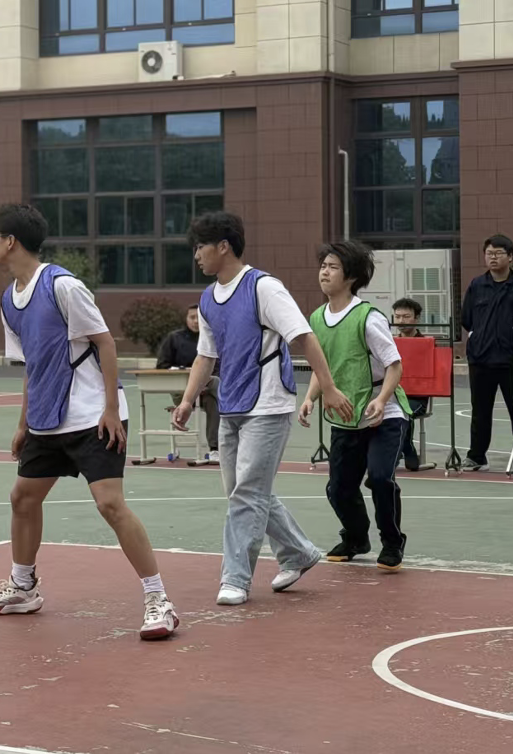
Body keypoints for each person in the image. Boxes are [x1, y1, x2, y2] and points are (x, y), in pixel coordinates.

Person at [0, 204, 180, 641]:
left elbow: (105, 343)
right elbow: (32, 366)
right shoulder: (9, 300)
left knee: (110, 505)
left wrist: (110, 408)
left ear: (10, 241)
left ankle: (159, 600)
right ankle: (23, 587)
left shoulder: (62, 286)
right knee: (23, 498)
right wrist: (23, 424)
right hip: (46, 419)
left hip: (91, 415)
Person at [174, 211, 353, 606]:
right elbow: (206, 356)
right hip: (231, 405)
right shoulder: (208, 299)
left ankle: (235, 579)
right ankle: (299, 552)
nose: (196, 255)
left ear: (224, 246)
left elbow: (304, 337)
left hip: (268, 404)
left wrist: (328, 387)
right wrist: (188, 399)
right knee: (243, 492)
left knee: (248, 493)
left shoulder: (263, 288)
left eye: (201, 247)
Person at [301, 242, 411, 572]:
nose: (324, 272)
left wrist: (381, 399)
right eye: (323, 265)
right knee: (339, 488)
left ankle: (392, 542)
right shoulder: (317, 318)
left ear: (350, 277)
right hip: (346, 416)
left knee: (380, 478)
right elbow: (322, 368)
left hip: (384, 414)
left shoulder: (368, 318)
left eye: (333, 267)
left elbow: (394, 365)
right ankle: (356, 538)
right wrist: (309, 398)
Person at [459, 234, 513, 478]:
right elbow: (467, 318)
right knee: (480, 411)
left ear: (510, 257)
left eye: (498, 253)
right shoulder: (477, 285)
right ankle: (477, 456)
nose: (493, 257)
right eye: (489, 253)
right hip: (481, 358)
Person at [155, 303, 219, 462]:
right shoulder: (173, 338)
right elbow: (161, 366)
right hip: (181, 391)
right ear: (186, 318)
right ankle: (233, 404)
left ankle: (215, 449)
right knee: (218, 388)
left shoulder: (211, 338)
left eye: (199, 318)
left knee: (214, 402)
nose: (196, 321)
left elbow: (217, 366)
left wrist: (203, 382)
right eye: (192, 317)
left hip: (206, 391)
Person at [392, 298, 432, 471]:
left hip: (417, 398)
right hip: (392, 395)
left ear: (417, 318)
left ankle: (397, 455)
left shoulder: (427, 344)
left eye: (406, 317)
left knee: (400, 412)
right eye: (397, 317)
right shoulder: (390, 343)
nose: (401, 321)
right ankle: (407, 450)